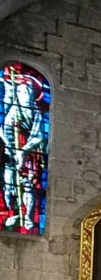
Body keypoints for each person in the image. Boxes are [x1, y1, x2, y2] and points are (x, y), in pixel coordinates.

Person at [1, 79, 46, 232]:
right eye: (21, 91)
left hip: (30, 156)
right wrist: (11, 149)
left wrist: (24, 151)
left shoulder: (36, 112)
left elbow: (39, 136)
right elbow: (5, 130)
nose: (24, 95)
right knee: (9, 183)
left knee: (28, 187)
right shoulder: (14, 110)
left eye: (27, 92)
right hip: (12, 153)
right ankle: (11, 212)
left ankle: (27, 218)